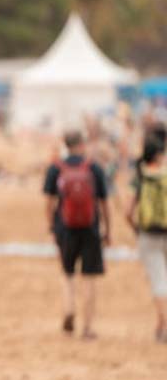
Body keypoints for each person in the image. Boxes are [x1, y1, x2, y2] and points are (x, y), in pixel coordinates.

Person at [44, 130, 110, 339]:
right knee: (89, 277)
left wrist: (52, 227)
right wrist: (108, 229)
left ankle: (69, 308)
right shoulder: (94, 168)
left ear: (65, 145)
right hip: (91, 227)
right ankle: (88, 327)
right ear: (82, 144)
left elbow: (49, 203)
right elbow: (104, 203)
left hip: (65, 227)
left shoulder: (56, 168)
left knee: (68, 273)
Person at [126, 132, 167, 343]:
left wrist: (136, 228)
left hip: (148, 234)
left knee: (159, 280)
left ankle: (164, 323)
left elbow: (128, 211)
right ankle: (161, 323)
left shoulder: (140, 176)